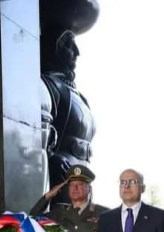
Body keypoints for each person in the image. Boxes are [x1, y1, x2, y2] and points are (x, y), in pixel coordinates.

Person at [41, 28, 96, 206]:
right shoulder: (48, 85)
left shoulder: (81, 98)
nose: (77, 52)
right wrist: (51, 159)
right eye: (69, 45)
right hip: (60, 186)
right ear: (54, 49)